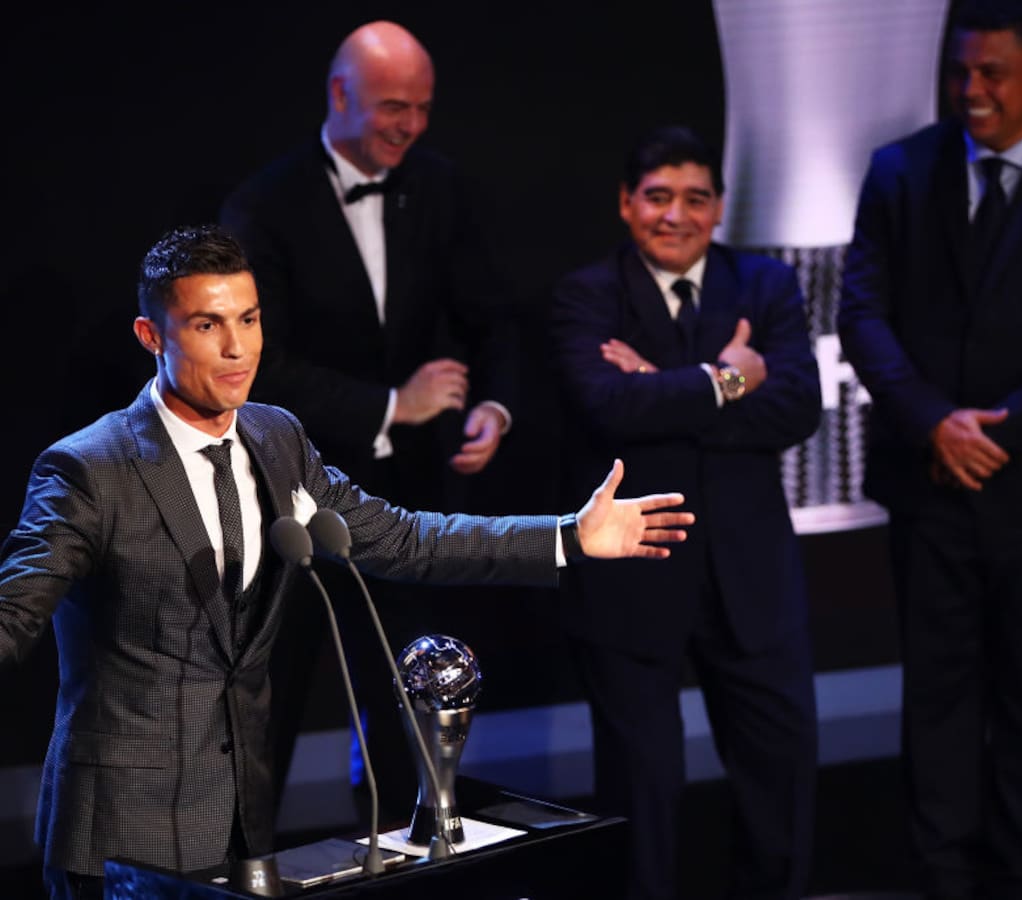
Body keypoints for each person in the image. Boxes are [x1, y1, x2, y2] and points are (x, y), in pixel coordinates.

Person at [0, 225, 693, 900]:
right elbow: (14, 611)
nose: (238, 347)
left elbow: (405, 539)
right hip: (122, 838)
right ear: (152, 335)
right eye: (208, 325)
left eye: (249, 319)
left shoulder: (276, 438)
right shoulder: (89, 469)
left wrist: (566, 536)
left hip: (242, 825)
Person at [837, 2, 1022, 897]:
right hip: (929, 485)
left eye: (992, 74)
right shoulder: (900, 170)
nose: (971, 90)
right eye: (960, 72)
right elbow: (862, 312)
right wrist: (935, 422)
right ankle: (941, 874)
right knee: (935, 694)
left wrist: (993, 433)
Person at [219, 21, 518, 810]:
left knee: (405, 699)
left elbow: (495, 315)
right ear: (340, 95)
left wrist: (494, 404)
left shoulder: (440, 186)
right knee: (266, 708)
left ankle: (402, 855)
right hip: (283, 496)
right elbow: (253, 363)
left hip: (401, 497)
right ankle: (246, 864)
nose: (410, 125)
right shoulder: (266, 204)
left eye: (422, 107)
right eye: (393, 106)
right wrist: (392, 405)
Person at [549, 126, 822, 900]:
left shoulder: (766, 285)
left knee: (780, 790)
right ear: (627, 204)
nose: (677, 215)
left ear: (720, 207)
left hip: (752, 578)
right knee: (641, 800)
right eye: (658, 197)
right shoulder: (587, 294)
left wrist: (658, 385)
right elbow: (605, 407)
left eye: (696, 198)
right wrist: (724, 380)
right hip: (633, 580)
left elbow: (797, 407)